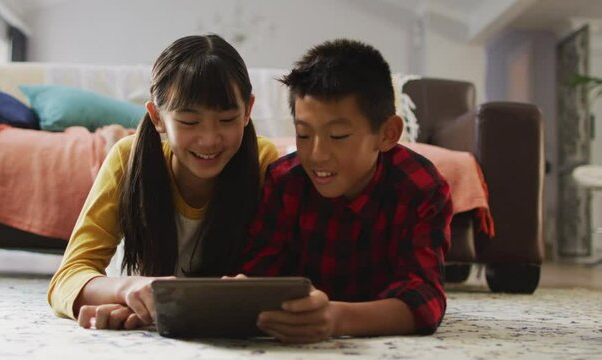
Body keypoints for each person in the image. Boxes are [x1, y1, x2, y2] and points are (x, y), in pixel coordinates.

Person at [48, 34, 278, 330]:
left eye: (227, 119)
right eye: (189, 122)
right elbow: (68, 277)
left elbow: (280, 273)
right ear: (157, 117)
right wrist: (127, 291)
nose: (209, 139)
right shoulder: (127, 158)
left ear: (248, 110)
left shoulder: (263, 161)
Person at [237, 39, 453, 343]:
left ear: (388, 134)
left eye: (338, 136)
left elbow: (425, 298)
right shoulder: (285, 181)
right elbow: (259, 270)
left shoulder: (421, 188)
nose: (317, 154)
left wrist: (337, 318)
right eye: (303, 134)